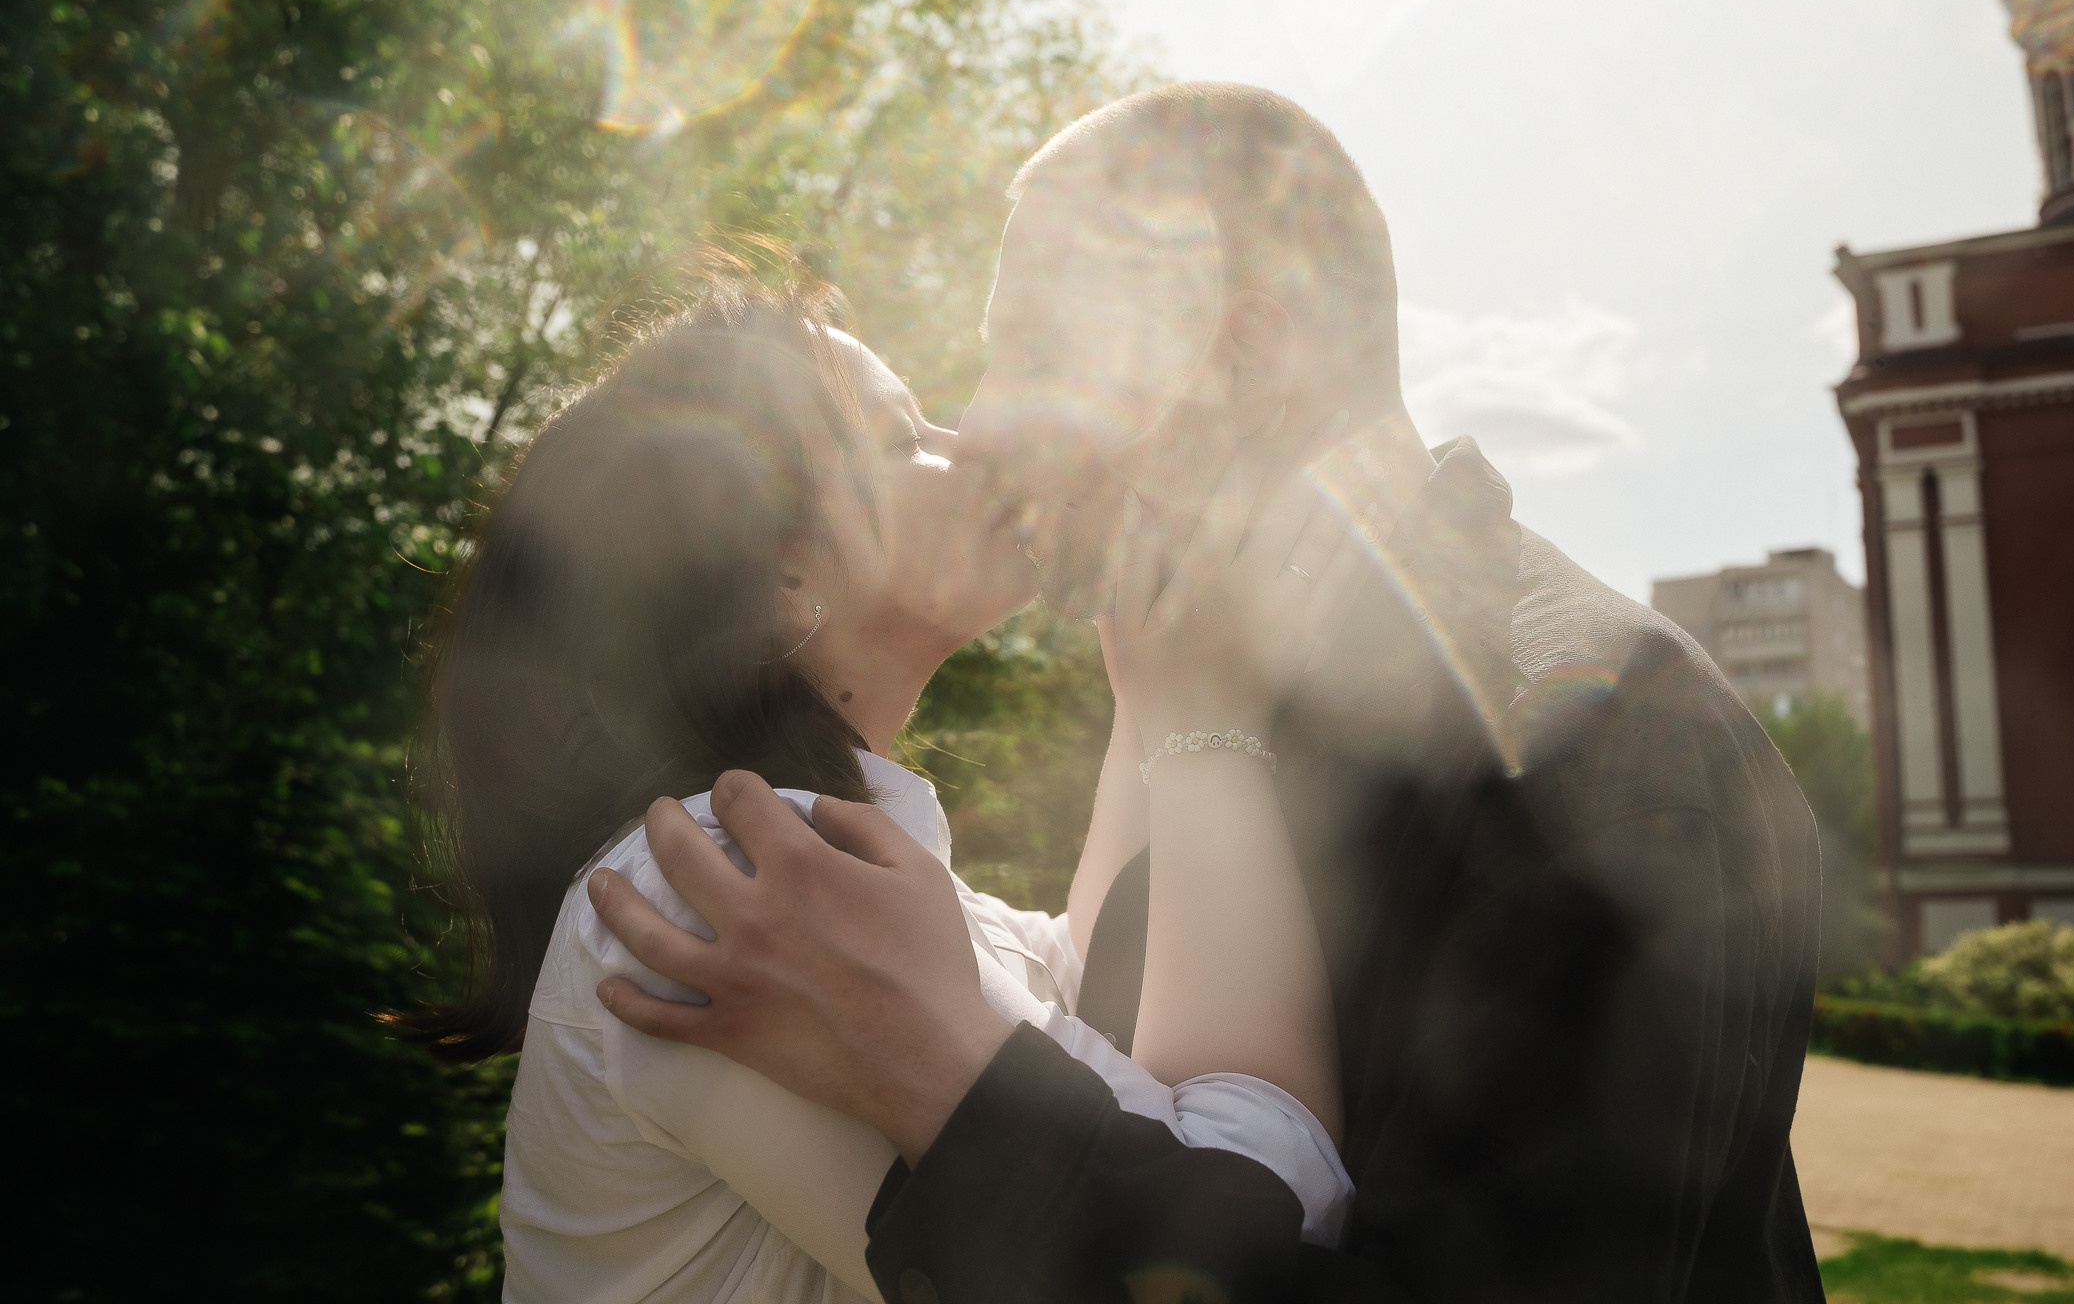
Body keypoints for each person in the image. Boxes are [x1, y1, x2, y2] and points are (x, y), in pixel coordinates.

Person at [595, 85, 1830, 1303]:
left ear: (1234, 358)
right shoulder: (1219, 745)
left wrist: (935, 1088)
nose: (983, 429)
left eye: (1029, 350)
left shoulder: (1594, 750)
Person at [400, 275, 1365, 1301]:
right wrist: (1203, 719)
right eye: (905, 440)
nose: (974, 444)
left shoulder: (840, 874)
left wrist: (1143, 645)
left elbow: (1100, 992)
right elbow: (1251, 1205)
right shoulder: (722, 891)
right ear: (781, 580)